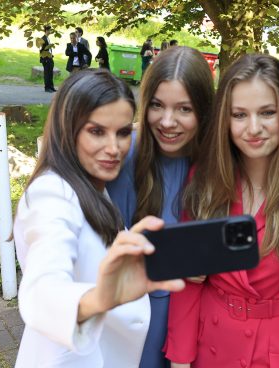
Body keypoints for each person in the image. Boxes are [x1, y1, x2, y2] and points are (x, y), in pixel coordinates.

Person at [165, 54, 279, 368]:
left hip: (273, 354)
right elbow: (187, 283)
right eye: (239, 114)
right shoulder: (205, 180)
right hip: (208, 346)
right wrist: (180, 360)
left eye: (267, 112)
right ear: (226, 118)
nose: (253, 128)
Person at [13, 68, 185, 367]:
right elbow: (41, 289)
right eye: (96, 131)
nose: (114, 148)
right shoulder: (53, 195)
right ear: (68, 128)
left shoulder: (92, 187)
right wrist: (97, 300)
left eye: (122, 133)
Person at [106, 45, 214, 368]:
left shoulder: (218, 161)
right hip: (142, 317)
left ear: (204, 110)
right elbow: (107, 247)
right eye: (157, 106)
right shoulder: (126, 156)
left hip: (202, 319)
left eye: (184, 109)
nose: (168, 122)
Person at [37, 25, 56, 92]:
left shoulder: (47, 38)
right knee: (47, 73)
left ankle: (51, 87)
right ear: (47, 30)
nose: (50, 31)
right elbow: (41, 50)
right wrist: (45, 58)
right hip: (46, 59)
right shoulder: (43, 39)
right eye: (50, 30)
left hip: (50, 58)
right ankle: (47, 88)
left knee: (50, 73)